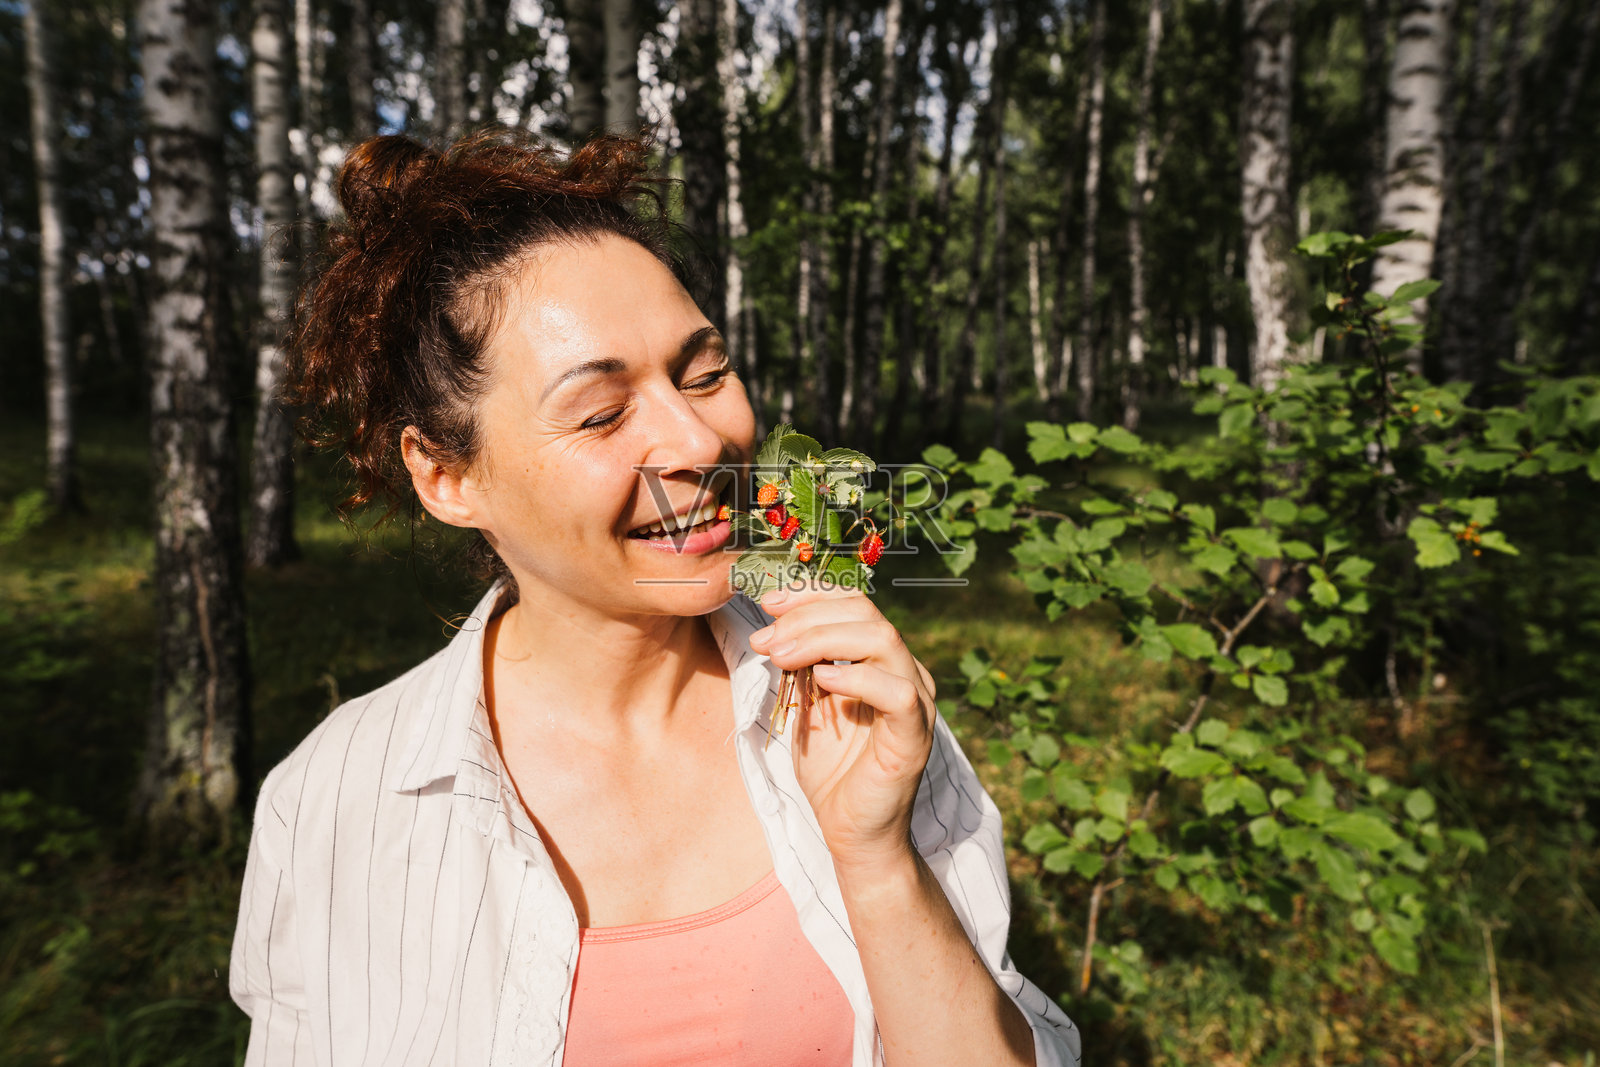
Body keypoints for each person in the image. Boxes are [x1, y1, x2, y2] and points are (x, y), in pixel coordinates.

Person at [227, 126, 1081, 1067]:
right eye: (601, 413)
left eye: (704, 373)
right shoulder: (335, 803)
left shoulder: (852, 705)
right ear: (447, 476)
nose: (700, 442)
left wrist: (877, 864)